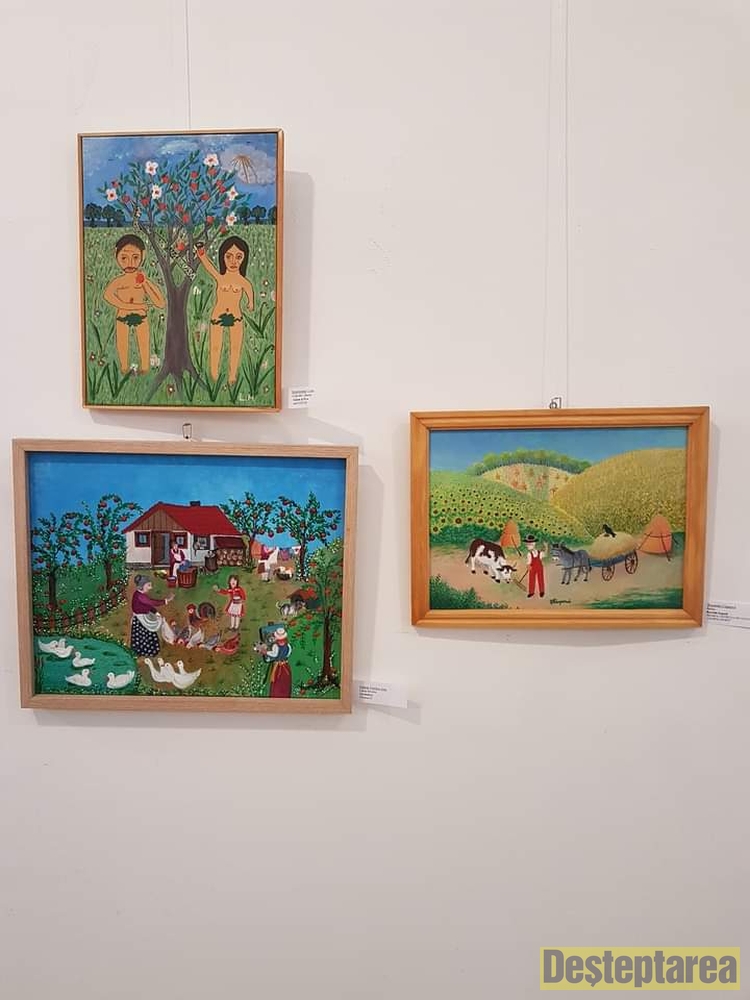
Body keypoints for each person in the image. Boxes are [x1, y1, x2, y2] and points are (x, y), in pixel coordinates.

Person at [103, 235, 165, 375]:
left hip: (140, 317)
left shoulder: (142, 280)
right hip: (122, 316)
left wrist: (145, 283)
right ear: (116, 255)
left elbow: (160, 302)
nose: (130, 263)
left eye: (135, 257)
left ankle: (145, 368)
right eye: (124, 258)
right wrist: (130, 306)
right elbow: (107, 295)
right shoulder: (119, 281)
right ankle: (124, 368)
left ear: (143, 255)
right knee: (122, 342)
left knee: (143, 342)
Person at [196, 236, 254, 384]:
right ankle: (214, 375)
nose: (233, 261)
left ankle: (232, 375)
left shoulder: (243, 281)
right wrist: (201, 253)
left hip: (236, 318)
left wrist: (251, 302)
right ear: (223, 258)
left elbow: (249, 289)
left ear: (244, 259)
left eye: (239, 257)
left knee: (235, 347)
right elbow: (209, 267)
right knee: (215, 346)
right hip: (218, 317)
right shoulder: (220, 277)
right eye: (229, 256)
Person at [129, 574, 174, 656]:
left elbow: (148, 606)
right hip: (140, 620)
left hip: (143, 617)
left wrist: (155, 612)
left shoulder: (141, 595)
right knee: (143, 636)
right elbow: (152, 603)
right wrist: (166, 601)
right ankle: (144, 651)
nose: (150, 587)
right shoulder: (140, 596)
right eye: (148, 585)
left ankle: (149, 650)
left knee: (148, 635)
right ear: (142, 586)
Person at [264, 626, 292, 698]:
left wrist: (266, 652)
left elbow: (274, 654)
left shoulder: (275, 646)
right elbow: (288, 654)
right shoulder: (288, 646)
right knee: (284, 681)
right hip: (285, 665)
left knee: (278, 682)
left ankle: (277, 696)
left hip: (279, 667)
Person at [525, 534, 546, 599]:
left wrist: (545, 547)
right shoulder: (529, 554)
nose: (527, 546)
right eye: (527, 544)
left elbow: (543, 555)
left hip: (539, 567)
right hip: (532, 568)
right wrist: (528, 566)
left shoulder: (539, 552)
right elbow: (528, 562)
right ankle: (531, 592)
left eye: (529, 544)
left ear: (533, 544)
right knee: (531, 579)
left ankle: (542, 591)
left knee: (540, 579)